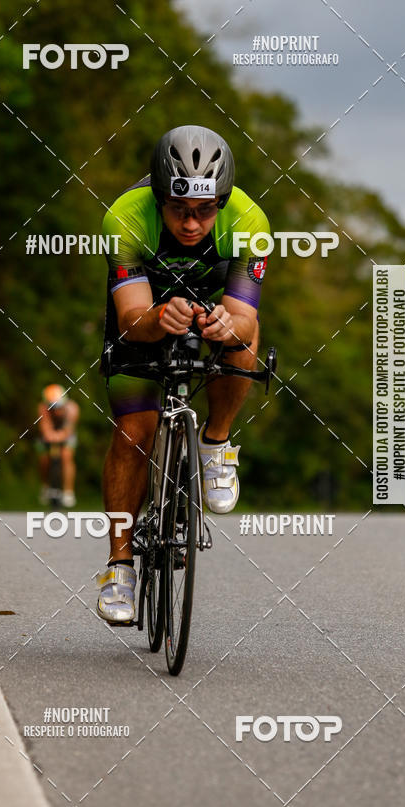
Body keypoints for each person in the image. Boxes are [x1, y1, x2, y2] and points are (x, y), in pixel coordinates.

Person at [96, 125, 270, 623]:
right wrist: (155, 319)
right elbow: (130, 318)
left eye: (204, 210)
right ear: (157, 196)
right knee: (135, 431)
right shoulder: (125, 218)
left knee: (244, 339)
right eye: (178, 209)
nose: (191, 223)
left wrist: (224, 324)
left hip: (214, 307)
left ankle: (216, 442)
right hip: (145, 316)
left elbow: (244, 316)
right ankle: (120, 565)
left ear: (224, 200)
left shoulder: (249, 221)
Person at [37, 384, 79, 508]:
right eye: (52, 407)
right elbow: (45, 426)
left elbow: (69, 429)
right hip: (49, 434)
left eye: (58, 407)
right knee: (44, 458)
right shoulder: (42, 408)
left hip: (66, 434)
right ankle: (45, 487)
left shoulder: (73, 408)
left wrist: (60, 436)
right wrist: (49, 435)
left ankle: (68, 492)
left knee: (66, 455)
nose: (55, 410)